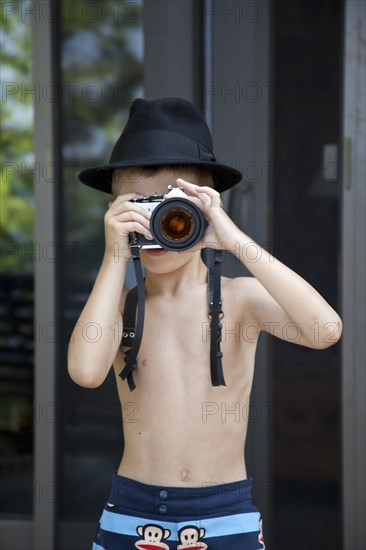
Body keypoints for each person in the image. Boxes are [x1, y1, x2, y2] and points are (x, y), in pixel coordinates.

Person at [68, 97, 342, 550]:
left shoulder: (239, 299)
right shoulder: (120, 307)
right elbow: (85, 371)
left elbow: (325, 330)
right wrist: (115, 255)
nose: (154, 225)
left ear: (202, 211)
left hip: (224, 514)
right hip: (130, 511)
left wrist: (233, 240)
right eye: (138, 208)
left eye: (171, 212)